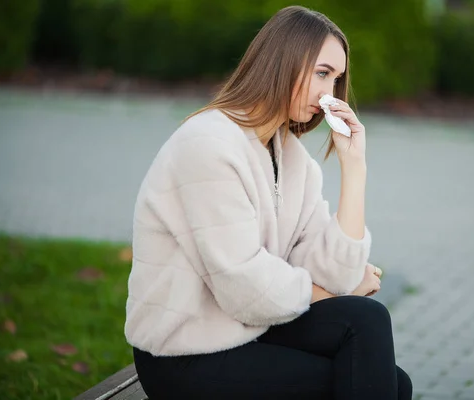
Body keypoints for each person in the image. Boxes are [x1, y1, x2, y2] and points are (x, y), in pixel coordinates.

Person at [124, 5, 412, 399]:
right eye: (322, 73)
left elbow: (332, 270)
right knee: (374, 364)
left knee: (380, 351)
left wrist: (354, 168)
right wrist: (332, 296)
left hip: (247, 328)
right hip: (184, 353)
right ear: (285, 61)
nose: (329, 94)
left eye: (337, 79)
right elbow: (244, 285)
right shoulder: (208, 145)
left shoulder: (292, 158)